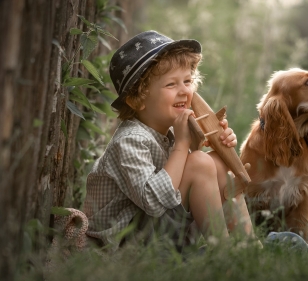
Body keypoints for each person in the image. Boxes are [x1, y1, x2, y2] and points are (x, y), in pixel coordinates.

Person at [83, 30, 256, 252]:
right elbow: (153, 201)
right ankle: (223, 253)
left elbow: (188, 173)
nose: (185, 91)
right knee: (200, 163)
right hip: (125, 246)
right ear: (137, 100)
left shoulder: (168, 131)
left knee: (214, 161)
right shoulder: (129, 141)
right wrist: (183, 146)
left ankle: (249, 245)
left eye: (187, 81)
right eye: (171, 85)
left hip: (154, 232)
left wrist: (217, 143)